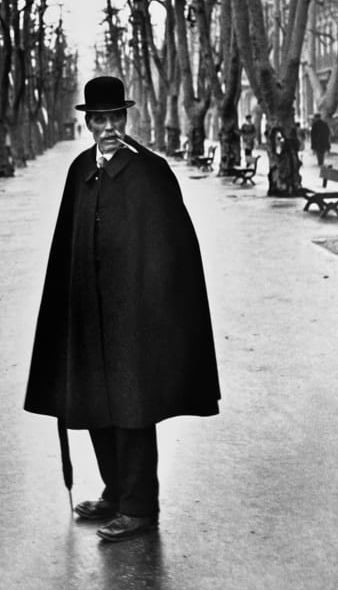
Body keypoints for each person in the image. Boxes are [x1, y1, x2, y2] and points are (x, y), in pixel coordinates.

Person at [24, 76, 220, 543]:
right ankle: (114, 492)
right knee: (94, 406)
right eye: (100, 119)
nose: (109, 127)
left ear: (125, 119)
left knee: (133, 412)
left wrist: (155, 309)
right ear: (89, 123)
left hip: (134, 318)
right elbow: (66, 247)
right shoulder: (79, 171)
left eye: (116, 118)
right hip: (90, 316)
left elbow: (173, 250)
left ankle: (139, 508)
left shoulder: (149, 172)